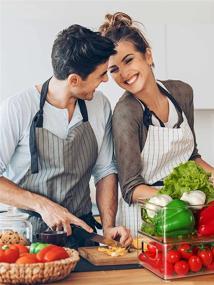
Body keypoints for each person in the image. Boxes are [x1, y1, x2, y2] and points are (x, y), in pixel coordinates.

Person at [99, 12, 214, 234]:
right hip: (145, 222)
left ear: (147, 56)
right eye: (114, 70)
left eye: (129, 60)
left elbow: (191, 159)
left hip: (185, 215)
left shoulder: (181, 93)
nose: (124, 74)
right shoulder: (126, 112)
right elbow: (131, 188)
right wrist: (183, 199)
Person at [0, 24, 132, 248]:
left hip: (81, 232)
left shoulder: (99, 106)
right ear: (74, 80)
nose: (106, 80)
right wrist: (43, 206)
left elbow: (105, 171)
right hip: (26, 237)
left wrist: (108, 226)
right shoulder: (17, 108)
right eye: (101, 75)